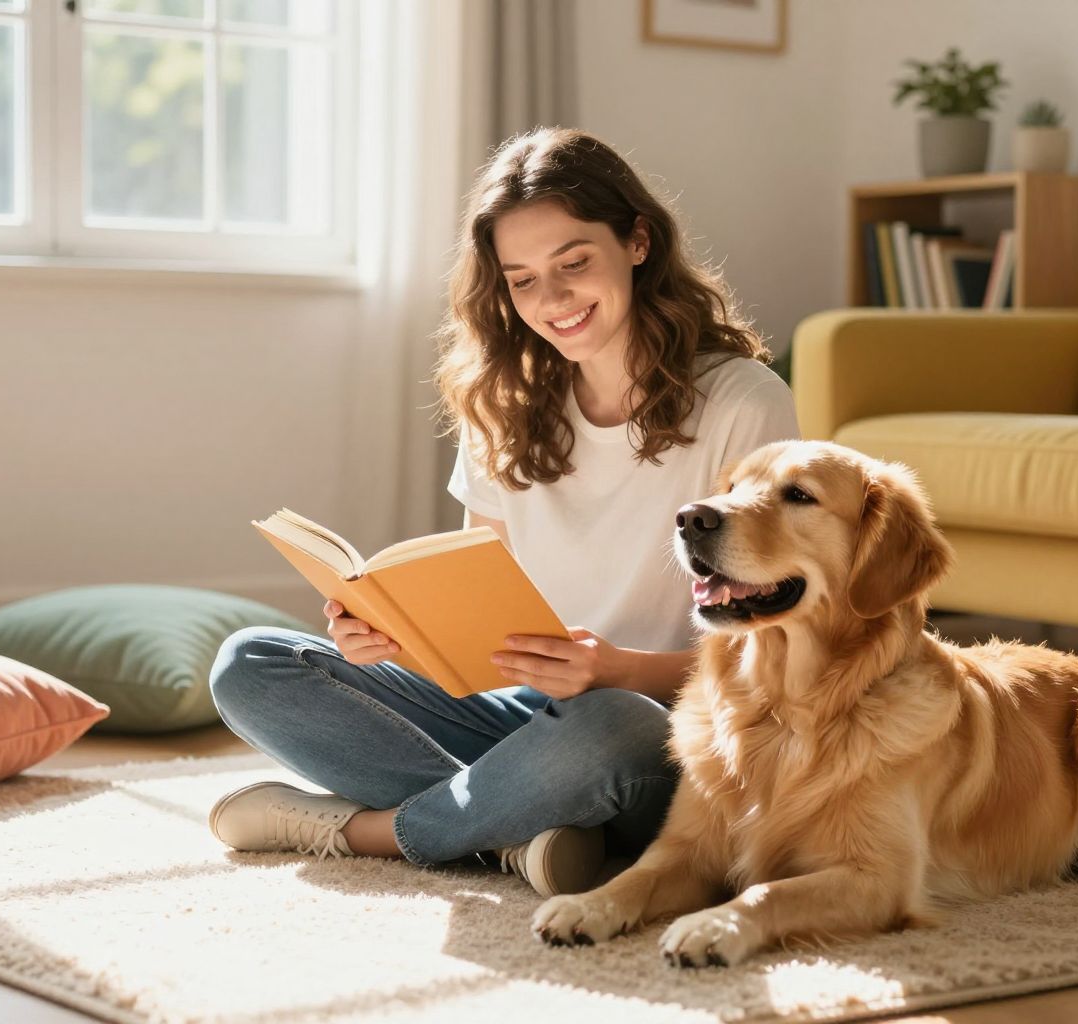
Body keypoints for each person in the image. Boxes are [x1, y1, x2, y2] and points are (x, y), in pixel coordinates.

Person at [207, 126, 799, 897]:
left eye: (574, 263)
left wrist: (615, 670)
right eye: (521, 280)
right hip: (523, 713)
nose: (551, 301)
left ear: (639, 241)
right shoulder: (506, 408)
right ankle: (520, 831)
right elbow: (480, 630)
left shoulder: (743, 402)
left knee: (608, 725)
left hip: (666, 728)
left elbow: (781, 654)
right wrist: (396, 639)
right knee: (251, 662)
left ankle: (375, 832)